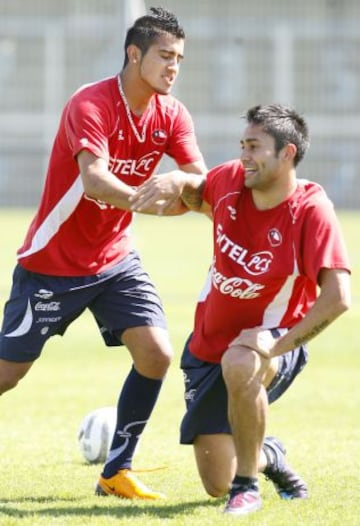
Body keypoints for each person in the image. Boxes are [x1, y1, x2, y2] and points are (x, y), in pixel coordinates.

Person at [0, 7, 208, 500]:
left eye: (179, 59)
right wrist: (155, 201)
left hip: (115, 259)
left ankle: (115, 471)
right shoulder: (90, 103)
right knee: (7, 375)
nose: (173, 67)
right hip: (53, 263)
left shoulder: (173, 113)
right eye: (164, 56)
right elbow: (94, 180)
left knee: (156, 354)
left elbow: (202, 182)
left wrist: (183, 183)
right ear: (134, 54)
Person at [130, 104, 351, 515]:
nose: (244, 155)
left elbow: (338, 298)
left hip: (272, 342)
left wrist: (276, 345)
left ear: (287, 154)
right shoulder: (230, 179)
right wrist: (178, 179)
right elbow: (198, 194)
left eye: (255, 147)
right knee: (216, 481)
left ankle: (247, 488)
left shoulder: (311, 210)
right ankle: (267, 455)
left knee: (241, 358)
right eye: (242, 145)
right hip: (206, 346)